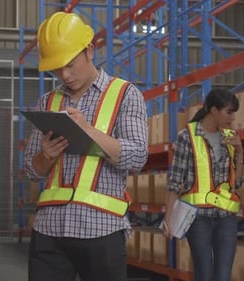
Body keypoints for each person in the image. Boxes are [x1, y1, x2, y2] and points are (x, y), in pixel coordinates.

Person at [24, 11, 148, 281]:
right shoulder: (48, 102)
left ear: (90, 51)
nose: (65, 75)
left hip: (101, 229)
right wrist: (45, 157)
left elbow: (137, 156)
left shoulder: (125, 95)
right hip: (50, 230)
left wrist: (88, 131)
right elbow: (31, 169)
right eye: (57, 69)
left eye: (70, 64)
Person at [162, 89, 244, 281]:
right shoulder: (187, 137)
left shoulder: (231, 137)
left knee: (223, 276)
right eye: (229, 112)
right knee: (204, 275)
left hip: (226, 217)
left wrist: (240, 152)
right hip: (199, 219)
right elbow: (174, 183)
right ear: (213, 110)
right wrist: (168, 219)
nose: (232, 118)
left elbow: (237, 183)